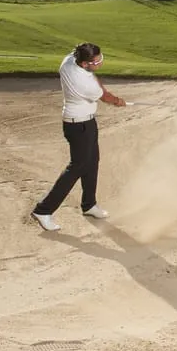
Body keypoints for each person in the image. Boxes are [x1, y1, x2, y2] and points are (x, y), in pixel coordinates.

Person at [31, 42, 125, 232]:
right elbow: (105, 97)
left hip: (86, 123)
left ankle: (89, 205)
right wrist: (118, 101)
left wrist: (106, 90)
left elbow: (96, 81)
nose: (100, 63)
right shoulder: (84, 81)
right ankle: (43, 210)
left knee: (92, 162)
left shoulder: (69, 60)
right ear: (85, 64)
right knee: (77, 167)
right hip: (78, 125)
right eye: (97, 61)